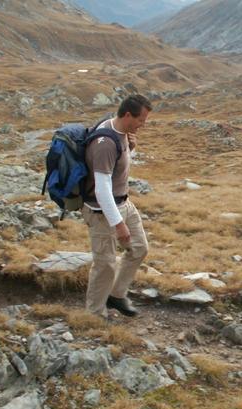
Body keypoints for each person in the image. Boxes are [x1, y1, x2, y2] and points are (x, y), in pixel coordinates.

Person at [82, 94, 152, 319]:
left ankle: (116, 295)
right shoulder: (105, 143)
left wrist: (131, 149)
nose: (143, 124)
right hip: (102, 211)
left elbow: (119, 168)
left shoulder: (122, 133)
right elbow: (102, 189)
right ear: (128, 115)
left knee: (139, 248)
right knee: (105, 264)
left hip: (123, 202)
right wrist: (118, 224)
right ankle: (94, 315)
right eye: (141, 119)